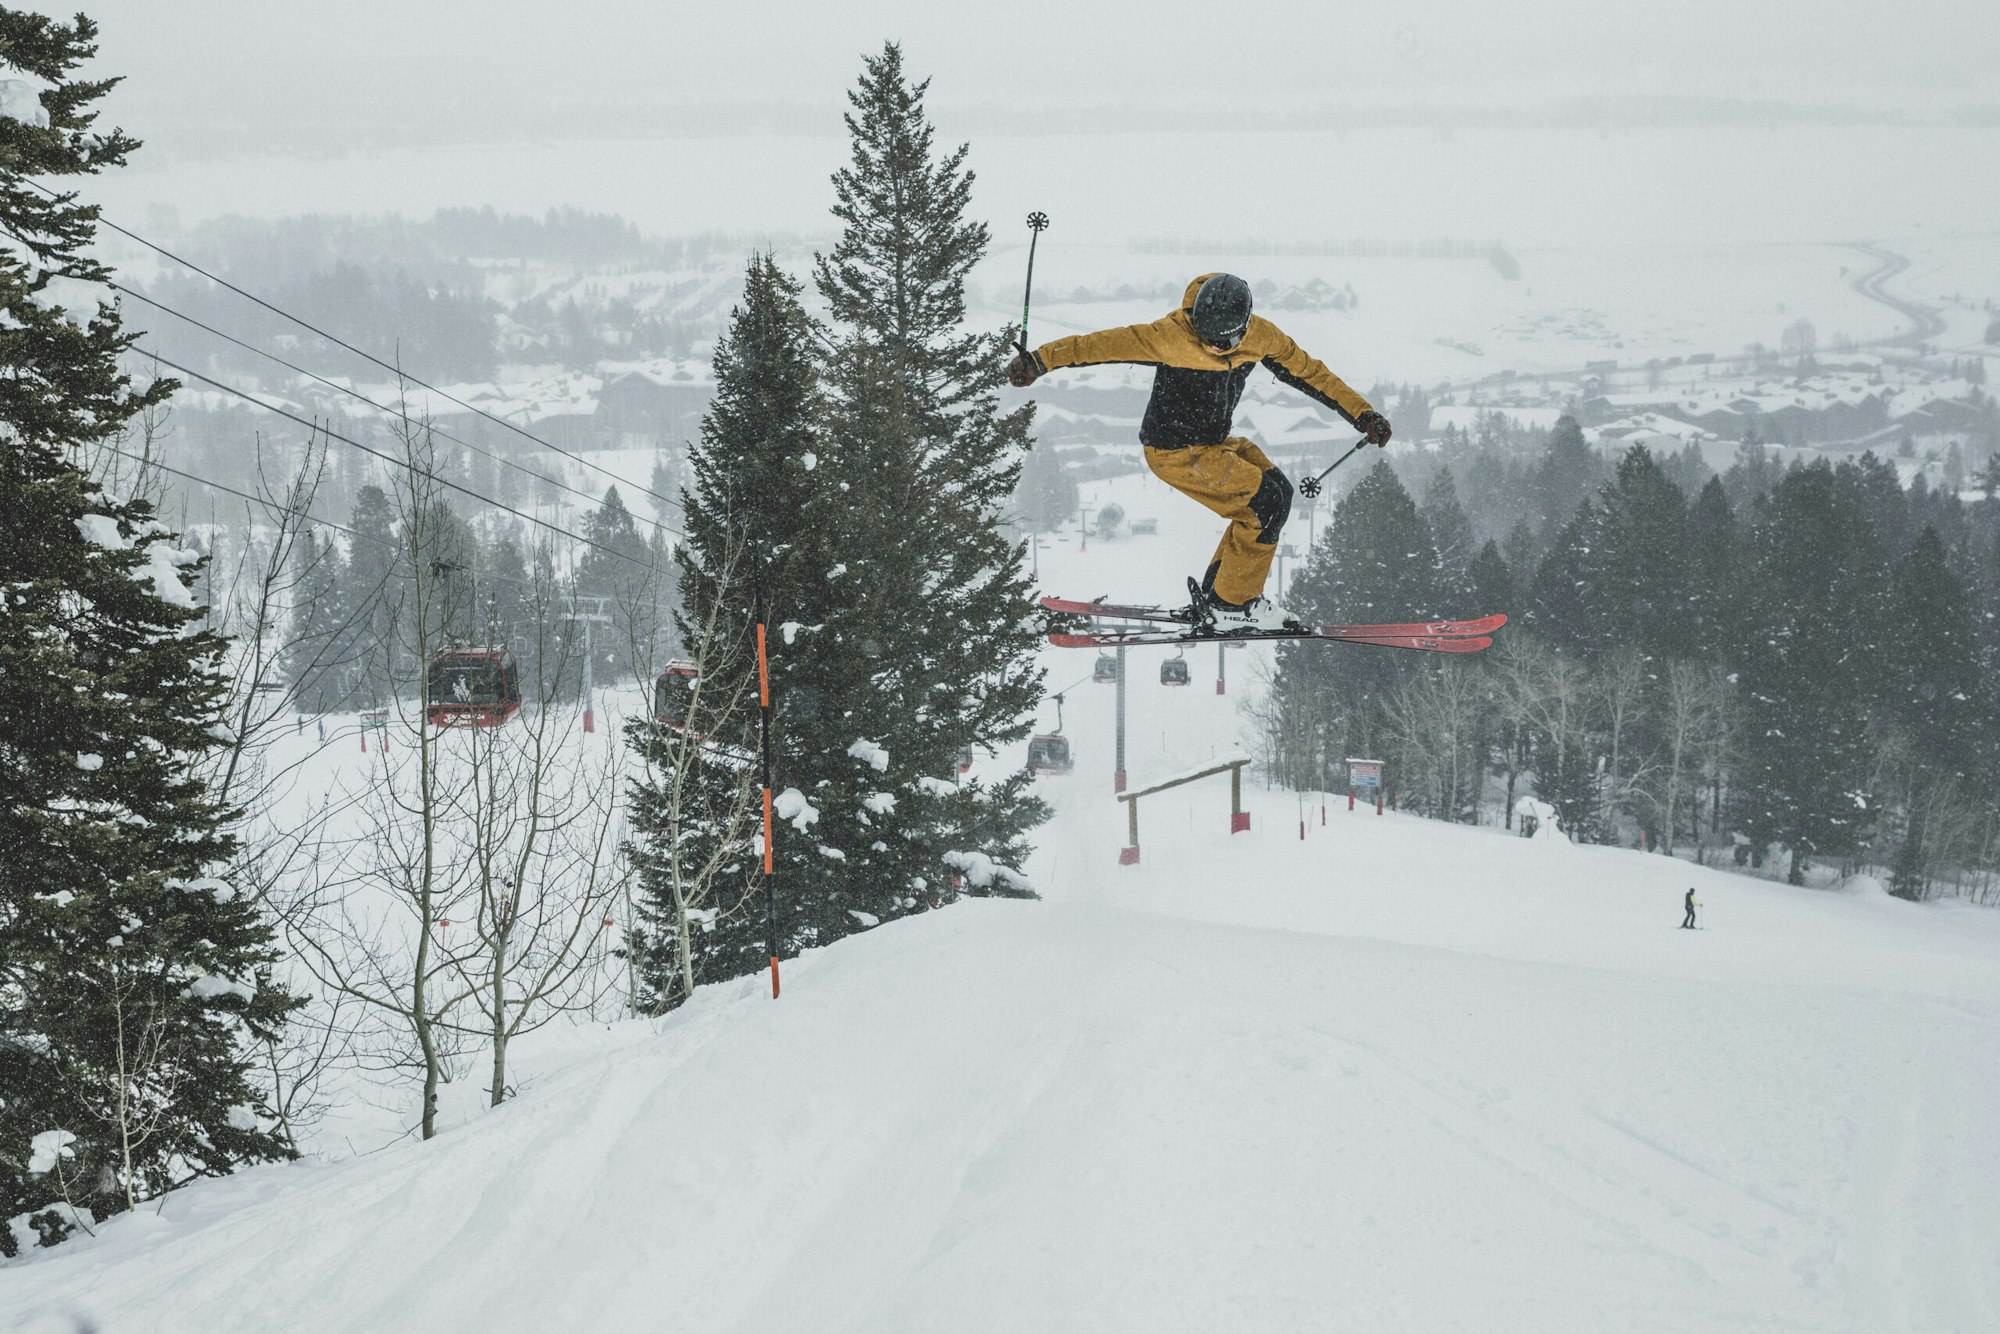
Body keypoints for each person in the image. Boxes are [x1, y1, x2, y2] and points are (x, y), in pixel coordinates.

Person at [1009, 273, 1390, 630]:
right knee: (1264, 506)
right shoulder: (1169, 336)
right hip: (1174, 450)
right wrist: (1039, 361)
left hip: (1214, 444)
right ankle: (1231, 606)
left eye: (1224, 342)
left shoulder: (1263, 337)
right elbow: (1096, 346)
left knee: (1279, 494)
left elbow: (1311, 373)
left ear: (1244, 326)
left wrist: (1363, 414)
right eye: (1207, 338)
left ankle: (1220, 597)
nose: (1214, 348)